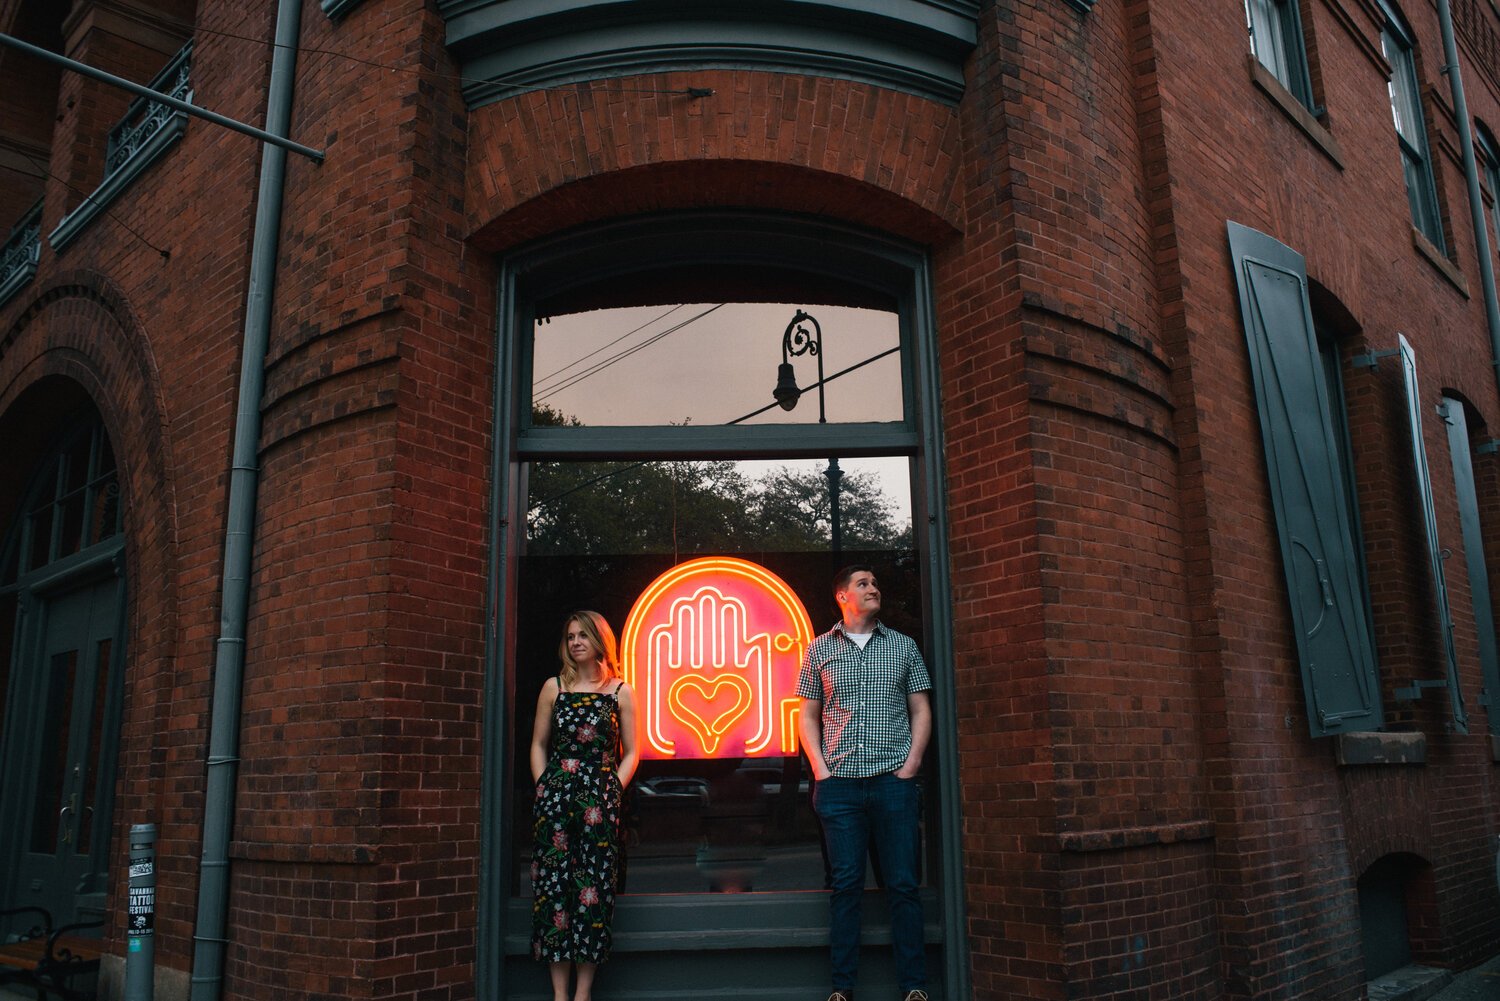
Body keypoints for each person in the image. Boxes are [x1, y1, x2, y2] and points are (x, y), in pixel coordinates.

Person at [798, 565, 932, 1001]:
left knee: (903, 885)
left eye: (875, 583)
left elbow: (921, 710)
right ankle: (843, 988)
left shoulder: (903, 646)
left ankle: (914, 986)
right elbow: (807, 716)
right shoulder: (819, 649)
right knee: (846, 887)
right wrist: (821, 770)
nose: (873, 589)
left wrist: (911, 766)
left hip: (893, 783)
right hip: (839, 788)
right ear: (842, 596)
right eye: (863, 584)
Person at [529, 611, 639, 1001]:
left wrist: (612, 790)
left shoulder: (619, 690)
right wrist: (545, 784)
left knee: (593, 893)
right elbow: (538, 744)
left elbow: (632, 751)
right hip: (556, 801)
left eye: (583, 636)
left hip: (599, 803)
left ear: (599, 641)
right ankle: (560, 993)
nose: (575, 642)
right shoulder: (553, 687)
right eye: (570, 636)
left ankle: (584, 993)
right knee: (554, 892)